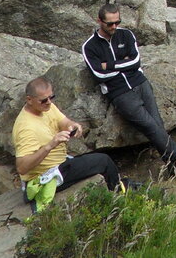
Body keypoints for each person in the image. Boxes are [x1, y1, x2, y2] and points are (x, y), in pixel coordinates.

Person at [82, 5, 176, 173]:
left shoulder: (126, 34)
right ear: (99, 21)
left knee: (157, 124)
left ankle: (173, 168)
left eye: (117, 22)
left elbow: (135, 62)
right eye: (110, 24)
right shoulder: (89, 47)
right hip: (120, 93)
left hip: (140, 83)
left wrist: (109, 65)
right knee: (149, 126)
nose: (114, 27)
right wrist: (123, 64)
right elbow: (99, 75)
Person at [13, 76, 124, 210]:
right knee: (103, 161)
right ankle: (120, 195)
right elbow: (22, 167)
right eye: (43, 100)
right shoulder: (25, 127)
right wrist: (50, 145)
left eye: (51, 97)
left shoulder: (46, 108)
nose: (48, 102)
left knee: (94, 159)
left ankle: (117, 188)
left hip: (61, 162)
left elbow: (63, 122)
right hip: (46, 175)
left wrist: (73, 126)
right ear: (29, 100)